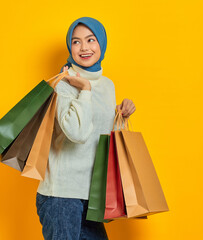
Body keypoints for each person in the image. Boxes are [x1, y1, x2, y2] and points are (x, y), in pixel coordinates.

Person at [35, 17, 136, 240]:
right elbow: (77, 133)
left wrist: (121, 113)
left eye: (90, 40)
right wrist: (85, 90)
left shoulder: (108, 85)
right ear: (70, 47)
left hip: (91, 194)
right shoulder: (63, 82)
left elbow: (98, 135)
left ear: (102, 42)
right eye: (76, 42)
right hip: (61, 196)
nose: (84, 47)